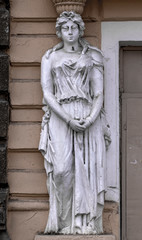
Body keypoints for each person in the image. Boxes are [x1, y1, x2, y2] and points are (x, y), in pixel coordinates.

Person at [39, 11, 111, 235]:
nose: (70, 32)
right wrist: (68, 119)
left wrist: (89, 119)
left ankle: (84, 223)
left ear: (80, 30)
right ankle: (62, 223)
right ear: (59, 32)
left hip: (87, 115)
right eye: (65, 28)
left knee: (87, 169)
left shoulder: (93, 56)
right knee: (61, 170)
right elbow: (47, 92)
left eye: (74, 28)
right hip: (61, 115)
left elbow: (98, 93)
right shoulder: (50, 57)